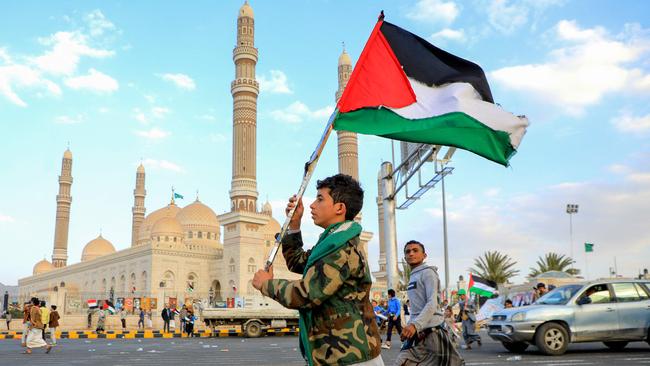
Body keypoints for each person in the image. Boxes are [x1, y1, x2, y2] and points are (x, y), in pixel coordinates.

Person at [252, 174, 383, 366]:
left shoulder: (341, 247)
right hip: (339, 354)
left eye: (320, 199)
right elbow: (298, 262)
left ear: (340, 208)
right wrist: (294, 225)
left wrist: (267, 284)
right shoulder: (332, 242)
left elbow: (308, 294)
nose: (312, 205)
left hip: (350, 356)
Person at [395, 240, 463, 366]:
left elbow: (432, 304)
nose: (411, 253)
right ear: (404, 257)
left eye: (415, 250)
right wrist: (409, 328)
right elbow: (416, 309)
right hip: (419, 333)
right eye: (408, 251)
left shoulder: (428, 273)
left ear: (424, 256)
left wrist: (415, 325)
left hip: (432, 333)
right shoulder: (413, 276)